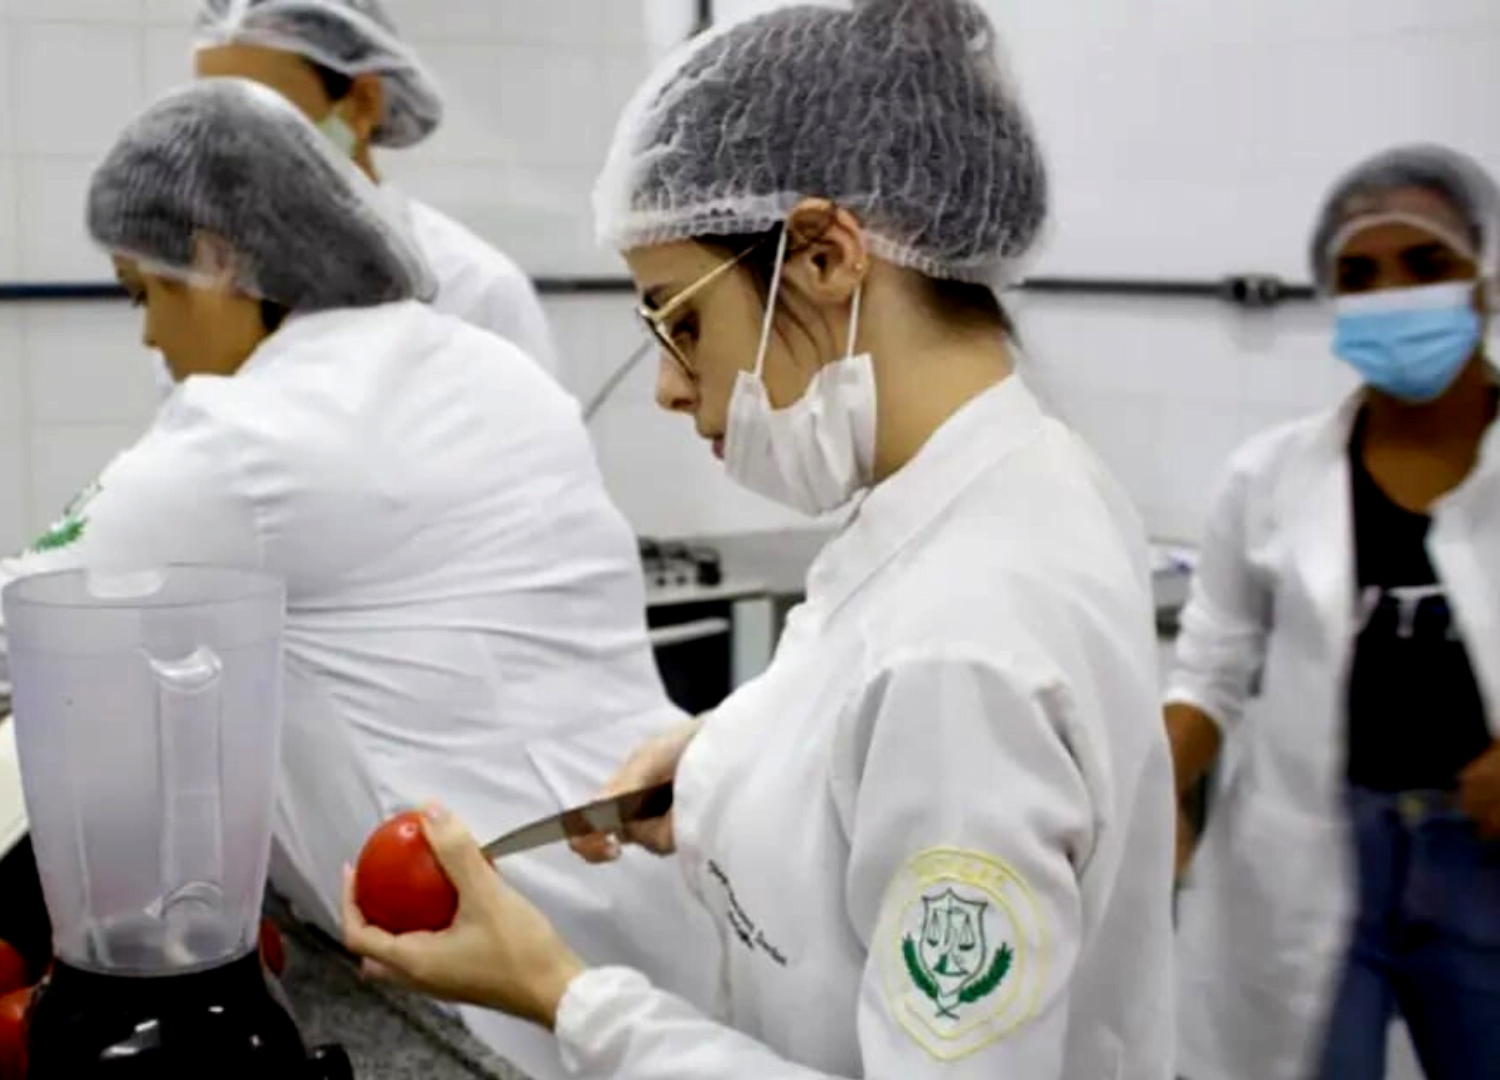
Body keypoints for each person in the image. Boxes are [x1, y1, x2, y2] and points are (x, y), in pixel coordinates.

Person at [343, 2, 1177, 1077]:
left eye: (681, 322)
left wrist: (565, 995)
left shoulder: (962, 645)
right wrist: (731, 771)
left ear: (826, 255)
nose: (666, 385)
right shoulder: (1019, 479)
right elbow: (878, 769)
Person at [0, 77, 714, 1080]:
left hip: (490, 989)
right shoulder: (477, 363)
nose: (150, 336)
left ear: (216, 260)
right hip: (664, 922)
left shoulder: (249, 440)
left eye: (143, 292)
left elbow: (26, 624)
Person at [1166, 144, 1500, 1080]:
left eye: (1426, 265)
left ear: (1486, 276)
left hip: (1483, 856)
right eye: (1359, 274)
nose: (1392, 294)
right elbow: (1211, 668)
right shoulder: (1271, 477)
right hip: (1314, 849)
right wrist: (1153, 782)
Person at [193, 0, 560, 378]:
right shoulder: (198, 288)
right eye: (213, 117)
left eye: (264, 115)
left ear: (363, 104)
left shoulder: (473, 291)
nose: (232, 147)